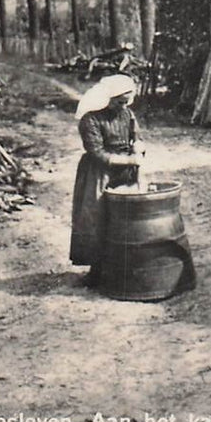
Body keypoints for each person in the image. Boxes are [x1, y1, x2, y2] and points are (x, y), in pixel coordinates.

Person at [70, 75, 145, 284]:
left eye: (126, 102)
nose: (122, 106)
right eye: (119, 102)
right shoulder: (90, 119)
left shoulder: (127, 114)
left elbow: (136, 136)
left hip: (126, 170)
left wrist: (138, 146)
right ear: (108, 98)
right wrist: (129, 159)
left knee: (126, 218)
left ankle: (122, 268)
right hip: (98, 173)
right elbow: (97, 152)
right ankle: (96, 271)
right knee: (96, 217)